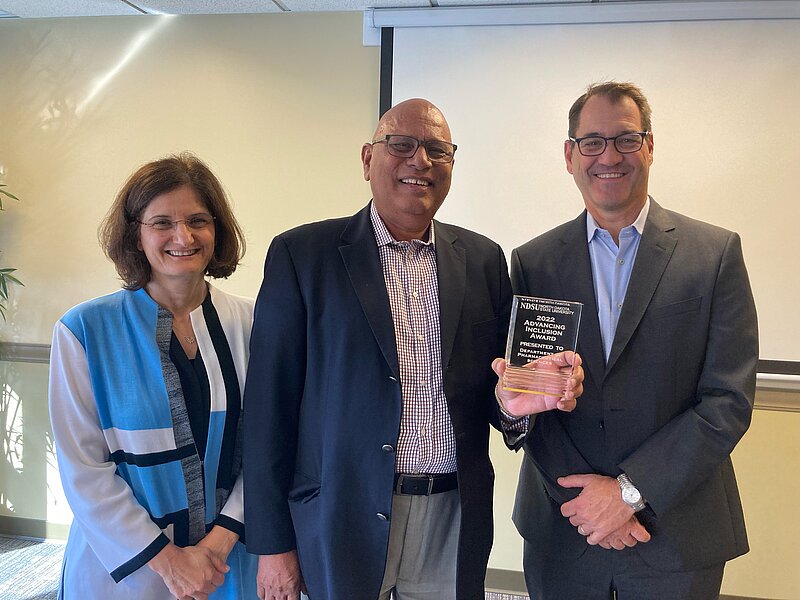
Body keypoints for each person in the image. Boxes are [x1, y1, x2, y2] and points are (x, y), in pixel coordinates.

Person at [242, 98, 583, 600]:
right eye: (400, 145)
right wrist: (272, 546)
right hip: (341, 513)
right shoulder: (302, 255)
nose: (419, 161)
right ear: (367, 159)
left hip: (453, 512)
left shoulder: (484, 260)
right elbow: (268, 408)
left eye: (437, 150)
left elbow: (496, 390)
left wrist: (517, 405)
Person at [509, 81, 759, 599]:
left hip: (677, 533)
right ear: (570, 154)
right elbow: (530, 400)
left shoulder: (713, 255)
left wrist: (628, 492)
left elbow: (727, 401)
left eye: (625, 139)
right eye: (592, 141)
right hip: (566, 526)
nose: (609, 156)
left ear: (649, 146)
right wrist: (590, 502)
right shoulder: (533, 263)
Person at [49, 153, 258, 599]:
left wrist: (216, 547)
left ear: (217, 229)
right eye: (161, 222)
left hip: (228, 562)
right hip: (129, 570)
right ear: (135, 235)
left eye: (198, 220)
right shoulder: (83, 330)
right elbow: (84, 470)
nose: (183, 236)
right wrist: (171, 563)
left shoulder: (252, 322)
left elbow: (268, 445)